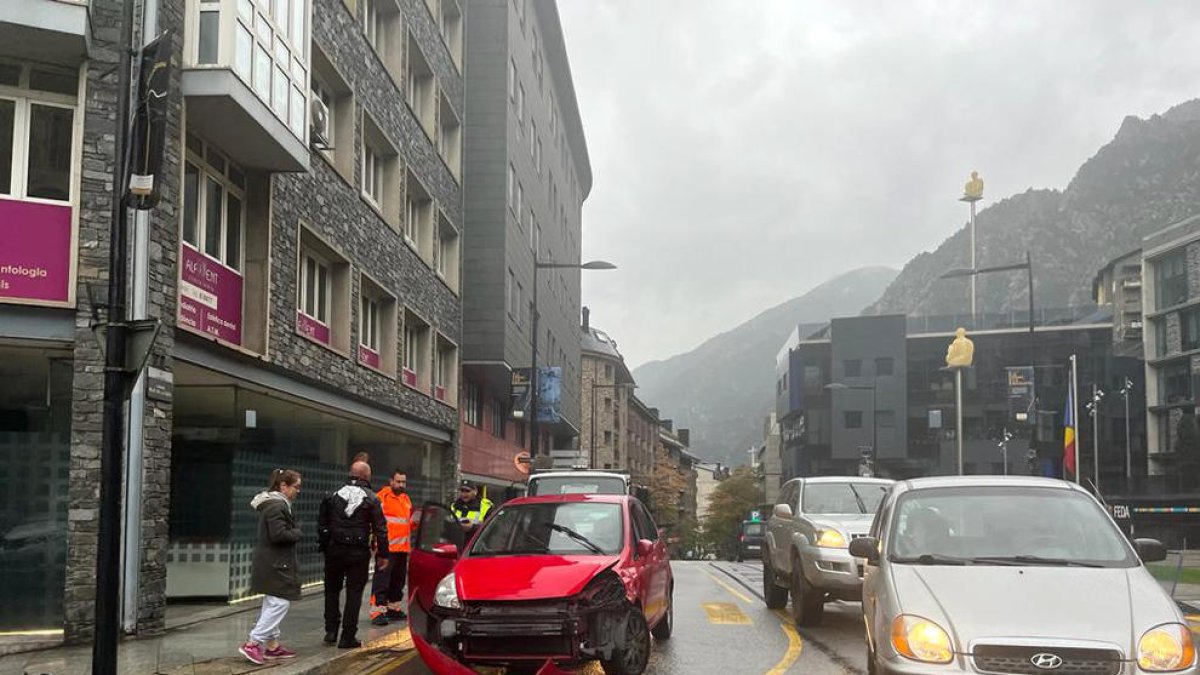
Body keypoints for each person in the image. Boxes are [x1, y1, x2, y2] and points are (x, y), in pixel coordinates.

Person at [319, 460, 388, 648]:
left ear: (350, 474)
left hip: (334, 550)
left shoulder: (332, 495)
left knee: (331, 590)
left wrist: (326, 547)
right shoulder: (372, 499)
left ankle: (331, 631)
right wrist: (383, 555)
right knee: (354, 593)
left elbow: (322, 525)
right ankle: (348, 636)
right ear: (366, 477)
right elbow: (381, 529)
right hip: (358, 553)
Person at [238, 469, 303, 665]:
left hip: (273, 562)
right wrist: (297, 532)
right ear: (283, 486)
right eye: (296, 486)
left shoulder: (277, 504)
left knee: (271, 602)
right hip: (276, 564)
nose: (298, 491)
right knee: (279, 603)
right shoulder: (276, 507)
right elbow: (279, 535)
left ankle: (272, 647)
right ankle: (253, 643)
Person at [370, 469, 413, 626]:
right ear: (391, 481)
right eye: (398, 481)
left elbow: (405, 523)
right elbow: (374, 522)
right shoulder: (382, 497)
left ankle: (392, 608)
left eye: (404, 482)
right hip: (386, 549)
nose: (401, 484)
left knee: (398, 582)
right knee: (382, 581)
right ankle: (377, 611)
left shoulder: (406, 499)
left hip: (402, 549)